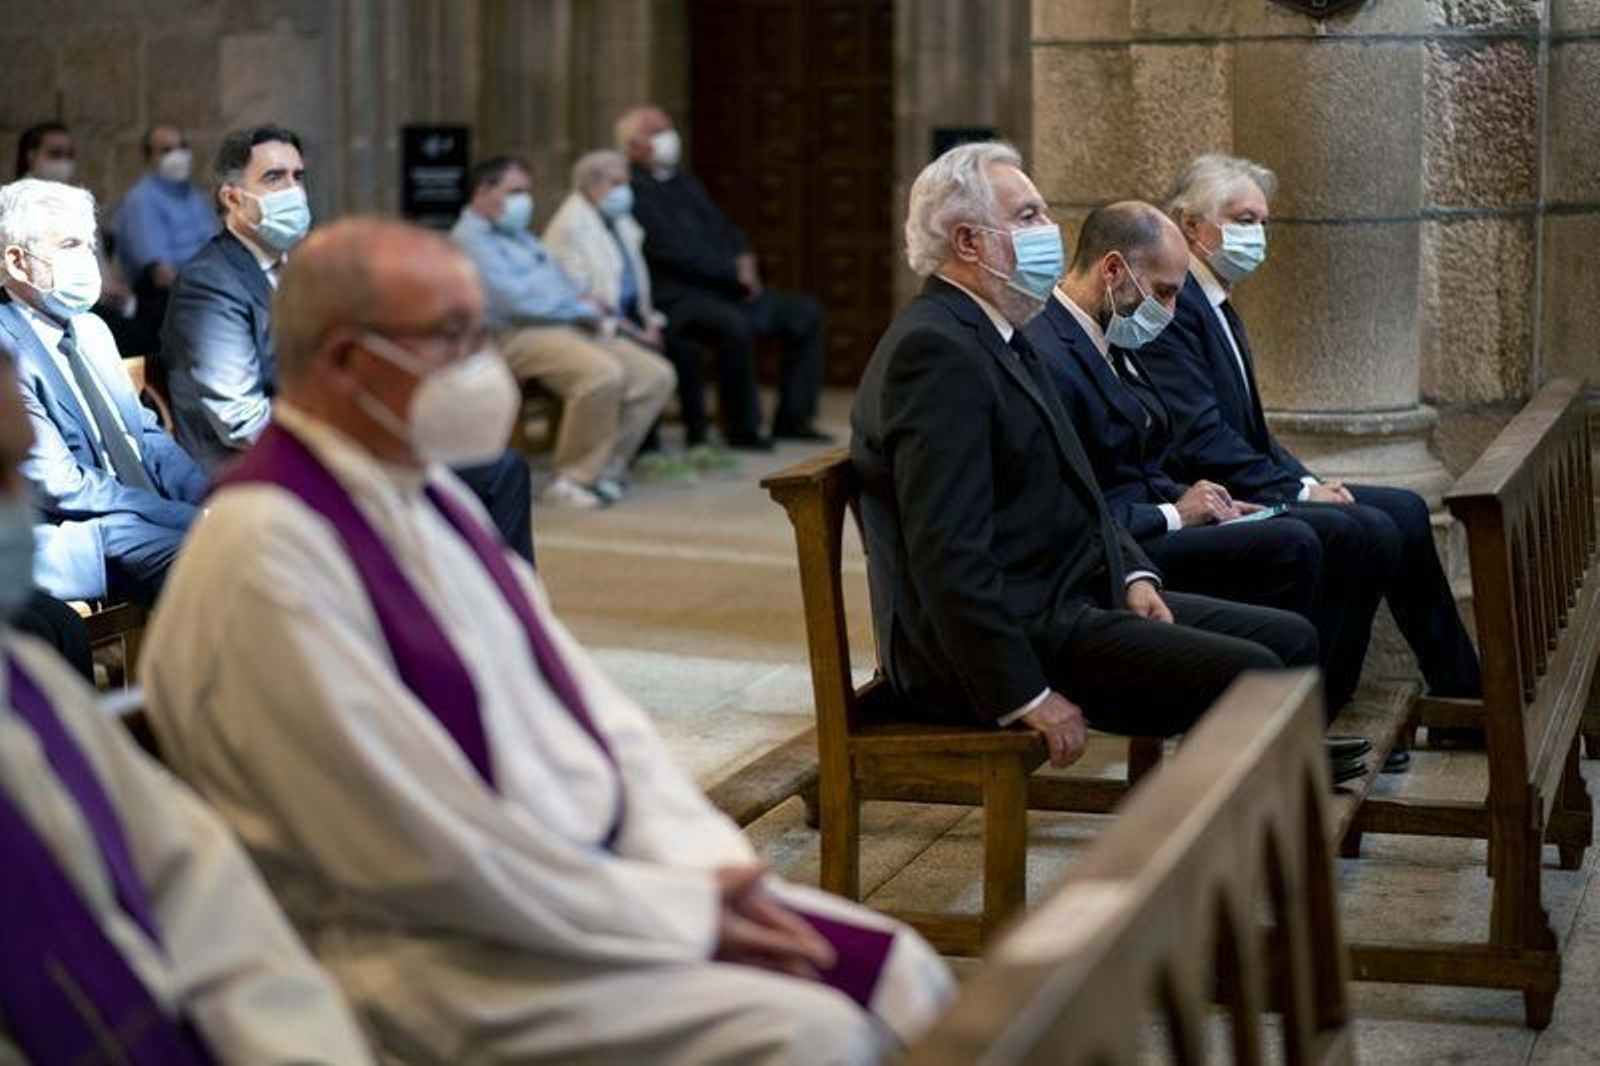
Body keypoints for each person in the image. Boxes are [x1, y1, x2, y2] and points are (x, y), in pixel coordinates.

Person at [141, 217, 952, 1063]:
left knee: (900, 968)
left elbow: (593, 712)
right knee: (816, 1035)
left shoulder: (424, 494)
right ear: (348, 360)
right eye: (456, 336)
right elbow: (419, 844)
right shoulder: (268, 557)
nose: (484, 362)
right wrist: (675, 917)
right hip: (440, 957)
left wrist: (705, 866)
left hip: (579, 890)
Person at [853, 142, 1319, 763]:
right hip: (1010, 638)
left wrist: (1131, 573)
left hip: (1068, 599)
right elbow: (948, 550)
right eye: (1027, 216)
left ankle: (1264, 804)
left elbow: (1080, 484)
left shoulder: (999, 330)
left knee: (1290, 640)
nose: (1049, 229)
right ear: (967, 242)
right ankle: (1220, 822)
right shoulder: (935, 351)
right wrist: (1023, 693)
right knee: (1256, 672)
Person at [0, 340, 372, 1063]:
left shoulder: (32, 686)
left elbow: (190, 882)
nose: (14, 501)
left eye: (11, 471)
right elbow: (63, 487)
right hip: (93, 530)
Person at [1022, 201, 1392, 724]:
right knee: (1294, 545)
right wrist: (1177, 513)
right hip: (1117, 548)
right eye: (1164, 292)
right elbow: (1080, 503)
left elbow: (1141, 458)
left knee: (1328, 532)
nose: (1171, 312)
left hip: (1147, 521)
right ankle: (1271, 724)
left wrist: (1199, 497)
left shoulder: (1110, 331)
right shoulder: (1049, 350)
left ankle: (1301, 719)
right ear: (1114, 270)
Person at [1142, 153, 1483, 711]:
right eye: (1243, 219)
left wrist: (1309, 481)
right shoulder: (1175, 305)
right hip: (1210, 492)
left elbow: (1254, 433)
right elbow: (1201, 440)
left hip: (1246, 476)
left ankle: (1461, 689)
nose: (1257, 234)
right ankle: (1323, 706)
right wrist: (1298, 491)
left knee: (1405, 509)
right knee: (1367, 531)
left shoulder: (1216, 301)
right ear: (1191, 225)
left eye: (1263, 222)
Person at [161, 126, 533, 558]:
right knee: (491, 474)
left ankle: (486, 595)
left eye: (298, 176)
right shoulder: (211, 281)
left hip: (321, 443)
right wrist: (355, 438)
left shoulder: (298, 268)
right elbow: (238, 419)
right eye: (274, 178)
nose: (293, 191)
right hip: (254, 465)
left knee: (491, 465)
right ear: (232, 198)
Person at [0, 178, 207, 607]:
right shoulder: (6, 348)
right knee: (216, 558)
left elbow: (143, 433)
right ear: (17, 262)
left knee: (257, 532)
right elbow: (60, 485)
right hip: (75, 531)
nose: (87, 259)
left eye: (90, 244)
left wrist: (207, 498)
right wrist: (183, 516)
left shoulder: (93, 329)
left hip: (140, 511)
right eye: (70, 245)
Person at [454, 156, 675, 509]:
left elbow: (559, 283)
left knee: (654, 375)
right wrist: (579, 307)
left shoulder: (520, 237)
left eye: (527, 191)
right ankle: (572, 479)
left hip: (566, 326)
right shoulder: (469, 239)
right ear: (483, 191)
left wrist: (583, 304)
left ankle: (606, 469)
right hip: (516, 335)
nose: (524, 201)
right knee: (601, 375)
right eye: (515, 191)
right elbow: (515, 301)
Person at [618, 106, 828, 449]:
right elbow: (671, 250)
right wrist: (733, 273)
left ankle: (794, 418)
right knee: (734, 326)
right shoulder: (632, 190)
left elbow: (723, 226)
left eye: (668, 129)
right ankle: (742, 428)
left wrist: (744, 256)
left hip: (726, 289)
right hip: (680, 298)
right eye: (657, 132)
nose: (669, 138)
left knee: (805, 312)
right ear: (633, 145)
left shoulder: (683, 180)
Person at [545, 148, 708, 460]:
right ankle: (629, 453)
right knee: (648, 363)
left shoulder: (618, 220)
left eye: (626, 183)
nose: (624, 192)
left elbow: (635, 277)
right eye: (616, 184)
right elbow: (583, 297)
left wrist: (649, 321)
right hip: (592, 323)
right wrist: (636, 331)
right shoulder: (571, 226)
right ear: (590, 184)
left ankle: (696, 439)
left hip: (632, 312)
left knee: (685, 346)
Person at [114, 124, 218, 344]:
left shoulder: (195, 197)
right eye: (167, 150)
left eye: (182, 147)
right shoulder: (142, 200)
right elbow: (162, 275)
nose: (177, 155)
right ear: (150, 159)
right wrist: (211, 294)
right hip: (168, 301)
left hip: (207, 291)